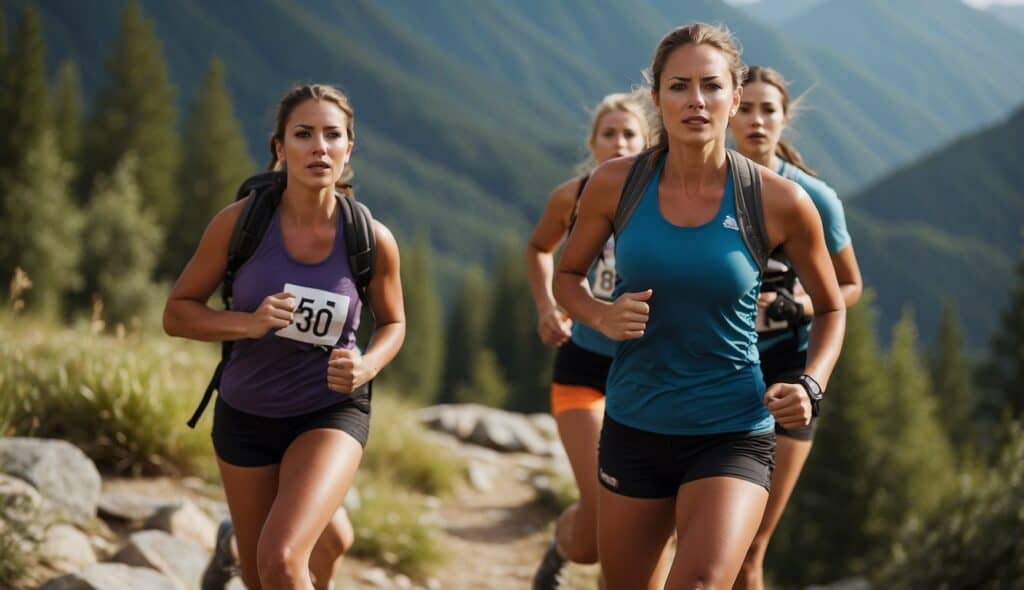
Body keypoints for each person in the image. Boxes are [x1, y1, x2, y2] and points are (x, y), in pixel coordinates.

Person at [553, 23, 846, 590]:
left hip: (733, 425)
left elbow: (832, 307)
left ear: (734, 99)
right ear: (657, 97)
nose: (695, 101)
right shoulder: (616, 184)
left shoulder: (781, 199)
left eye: (711, 86)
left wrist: (810, 384)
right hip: (635, 424)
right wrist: (599, 315)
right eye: (679, 86)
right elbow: (567, 276)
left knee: (700, 583)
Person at [163, 84, 405, 590]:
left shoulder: (371, 238)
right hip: (247, 414)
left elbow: (394, 323)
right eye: (304, 134)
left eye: (332, 135)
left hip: (329, 409)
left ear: (348, 150)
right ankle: (236, 543)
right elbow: (178, 314)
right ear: (280, 149)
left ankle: (282, 536)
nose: (319, 146)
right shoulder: (240, 225)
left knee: (282, 559)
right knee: (285, 563)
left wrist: (368, 366)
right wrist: (248, 324)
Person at [728, 65, 862, 590]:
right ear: (728, 111)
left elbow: (849, 287)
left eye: (769, 110)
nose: (757, 120)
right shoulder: (704, 187)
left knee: (750, 548)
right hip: (720, 369)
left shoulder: (815, 197)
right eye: (746, 108)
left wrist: (799, 306)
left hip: (790, 375)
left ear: (786, 119)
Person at [525, 91, 657, 589]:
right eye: (609, 134)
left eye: (629, 134)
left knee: (639, 521)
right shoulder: (572, 196)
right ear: (593, 142)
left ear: (647, 142)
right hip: (583, 369)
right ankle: (562, 548)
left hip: (646, 374)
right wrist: (547, 306)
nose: (619, 142)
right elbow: (540, 247)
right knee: (601, 517)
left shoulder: (665, 202)